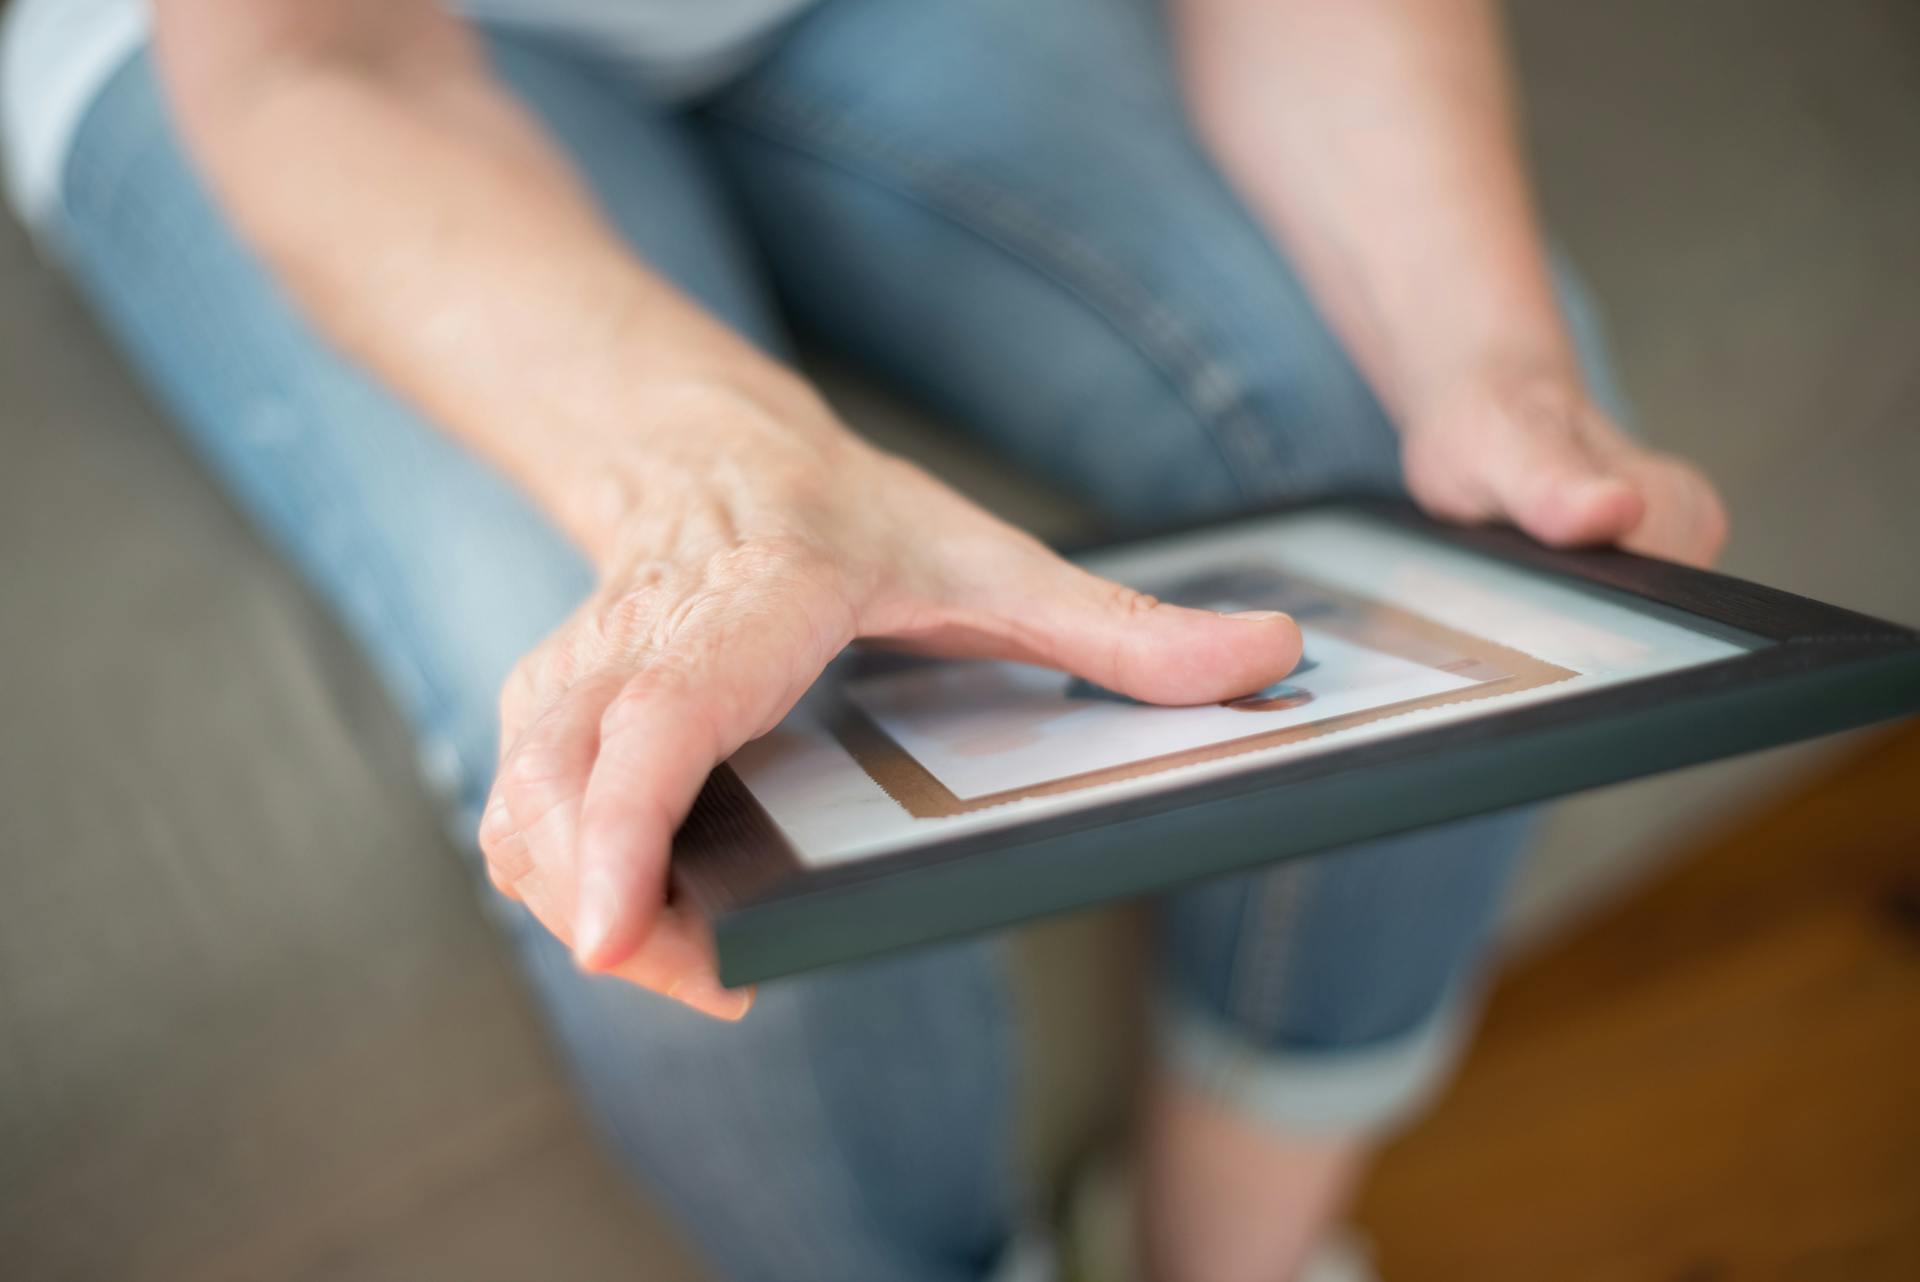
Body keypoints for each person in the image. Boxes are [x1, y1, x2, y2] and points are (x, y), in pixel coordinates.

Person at [0, 1, 1726, 1279]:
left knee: (1476, 548)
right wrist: (726, 486)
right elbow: (326, 65)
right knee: (695, 800)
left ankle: (1227, 1253)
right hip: (317, 56)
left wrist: (1490, 366)